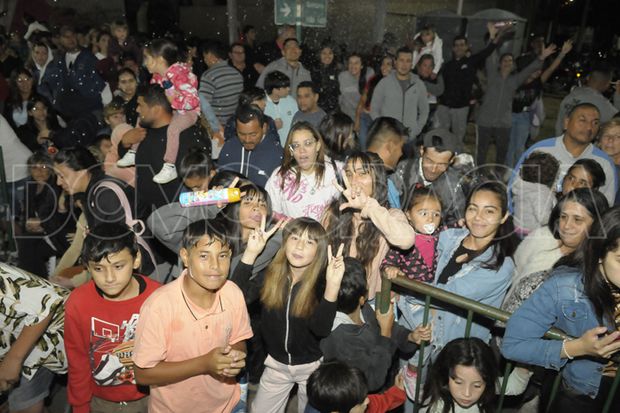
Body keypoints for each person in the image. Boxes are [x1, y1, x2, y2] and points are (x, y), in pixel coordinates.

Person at [397, 181, 517, 398]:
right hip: (417, 332)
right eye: (473, 208)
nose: (478, 217)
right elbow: (417, 256)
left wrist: (404, 286)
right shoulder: (449, 237)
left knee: (441, 401)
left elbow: (449, 295)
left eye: (489, 211)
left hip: (453, 348)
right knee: (407, 398)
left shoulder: (501, 266)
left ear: (504, 216)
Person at [502, 207, 620, 412]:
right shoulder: (564, 288)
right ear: (600, 253)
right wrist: (578, 348)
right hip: (580, 394)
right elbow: (513, 345)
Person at [132, 219, 253, 413]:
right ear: (186, 257)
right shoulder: (160, 306)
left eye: (222, 255)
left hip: (228, 404)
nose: (215, 265)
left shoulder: (233, 293)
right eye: (204, 256)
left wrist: (236, 357)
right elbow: (143, 374)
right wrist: (204, 364)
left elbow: (239, 340)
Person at [249, 218, 345, 413]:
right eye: (294, 238)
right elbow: (236, 295)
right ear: (284, 243)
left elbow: (321, 329)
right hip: (276, 364)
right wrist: (250, 254)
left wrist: (332, 287)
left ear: (319, 250)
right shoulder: (270, 275)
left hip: (311, 368)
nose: (299, 246)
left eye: (310, 241)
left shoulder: (321, 282)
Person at [64, 223, 160, 413]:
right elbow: (78, 361)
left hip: (153, 399)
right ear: (87, 267)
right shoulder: (78, 302)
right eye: (98, 269)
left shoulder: (159, 297)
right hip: (101, 403)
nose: (109, 278)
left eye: (118, 266)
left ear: (136, 259)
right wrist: (80, 407)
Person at [320, 257, 428, 391]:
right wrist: (385, 334)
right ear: (362, 298)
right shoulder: (339, 337)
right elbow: (372, 381)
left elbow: (389, 328)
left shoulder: (363, 309)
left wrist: (410, 337)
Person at [502, 188, 609, 316]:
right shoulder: (543, 237)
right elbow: (514, 272)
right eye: (563, 217)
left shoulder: (595, 268)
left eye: (577, 220)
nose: (567, 225)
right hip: (502, 321)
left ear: (597, 225)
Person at [323, 152, 415, 301]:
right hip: (332, 295)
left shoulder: (390, 215)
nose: (354, 181)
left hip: (371, 304)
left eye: (362, 174)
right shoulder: (334, 211)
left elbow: (407, 240)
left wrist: (368, 207)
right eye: (349, 174)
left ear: (377, 180)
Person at [117, 38, 201, 184]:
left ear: (160, 60)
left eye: (148, 58)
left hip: (188, 112)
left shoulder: (179, 75)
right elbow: (153, 98)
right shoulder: (157, 77)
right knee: (142, 116)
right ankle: (133, 151)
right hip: (172, 111)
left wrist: (173, 102)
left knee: (173, 130)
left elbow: (193, 100)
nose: (144, 63)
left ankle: (169, 165)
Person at [119, 84, 210, 210]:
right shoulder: (142, 133)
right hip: (147, 213)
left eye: (141, 105)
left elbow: (200, 177)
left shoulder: (186, 136)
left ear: (156, 109)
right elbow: (127, 159)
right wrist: (124, 143)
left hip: (177, 214)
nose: (137, 110)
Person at [510, 102, 618, 207]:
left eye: (595, 123)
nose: (589, 127)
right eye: (582, 120)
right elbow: (514, 188)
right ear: (566, 122)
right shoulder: (541, 150)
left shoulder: (604, 163)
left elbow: (605, 206)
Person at [0, 262, 68, 413]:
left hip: (45, 337)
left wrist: (13, 359)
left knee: (24, 404)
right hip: (18, 337)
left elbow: (47, 302)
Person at [475, 42, 555, 165]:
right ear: (500, 63)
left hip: (503, 123)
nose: (508, 63)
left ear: (513, 65)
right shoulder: (492, 75)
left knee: (502, 152)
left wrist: (541, 57)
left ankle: (499, 174)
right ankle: (478, 173)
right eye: (505, 60)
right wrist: (493, 39)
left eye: (510, 61)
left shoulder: (515, 80)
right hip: (485, 120)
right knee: (482, 151)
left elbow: (530, 69)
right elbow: (490, 56)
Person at [506, 40, 573, 167]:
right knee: (510, 146)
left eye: (540, 70)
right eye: (535, 69)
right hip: (510, 115)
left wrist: (562, 54)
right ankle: (507, 170)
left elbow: (552, 68)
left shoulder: (538, 82)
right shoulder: (518, 80)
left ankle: (517, 170)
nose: (539, 72)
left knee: (519, 146)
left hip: (524, 117)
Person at [420, 338, 531, 413]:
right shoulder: (435, 408)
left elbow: (515, 385)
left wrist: (529, 349)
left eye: (477, 385)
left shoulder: (487, 386)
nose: (467, 394)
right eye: (458, 382)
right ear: (446, 376)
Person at [436, 24, 502, 143]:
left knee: (458, 139)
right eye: (456, 45)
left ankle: (457, 160)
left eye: (462, 45)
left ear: (467, 46)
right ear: (453, 48)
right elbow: (439, 84)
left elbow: (487, 51)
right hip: (444, 107)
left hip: (461, 108)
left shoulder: (471, 62)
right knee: (441, 137)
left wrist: (494, 36)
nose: (459, 48)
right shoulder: (447, 66)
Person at [266, 121, 341, 221]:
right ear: (291, 151)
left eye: (308, 143)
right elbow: (270, 212)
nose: (302, 150)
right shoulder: (279, 177)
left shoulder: (335, 172)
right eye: (296, 145)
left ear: (318, 145)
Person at [392, 128, 467, 226]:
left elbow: (458, 216)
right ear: (422, 151)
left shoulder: (452, 183)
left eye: (441, 164)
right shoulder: (404, 171)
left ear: (451, 160)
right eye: (429, 161)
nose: (433, 169)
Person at [17, 151, 74, 278]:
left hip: (59, 233)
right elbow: (26, 213)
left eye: (43, 167)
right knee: (27, 242)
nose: (39, 172)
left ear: (50, 169)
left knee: (28, 246)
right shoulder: (30, 187)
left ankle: (32, 281)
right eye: (34, 168)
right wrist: (28, 224)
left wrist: (42, 223)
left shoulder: (58, 186)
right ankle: (33, 281)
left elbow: (61, 218)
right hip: (42, 233)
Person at [381, 187, 443, 284]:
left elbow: (454, 228)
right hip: (409, 294)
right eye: (424, 213)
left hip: (432, 290)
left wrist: (461, 223)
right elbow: (388, 261)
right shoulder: (404, 239)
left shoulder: (440, 234)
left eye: (436, 215)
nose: (430, 219)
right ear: (408, 215)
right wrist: (391, 268)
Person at [370, 47, 428, 143]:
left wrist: (416, 130)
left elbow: (424, 110)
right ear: (395, 62)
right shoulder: (384, 83)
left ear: (412, 64)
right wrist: (383, 129)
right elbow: (374, 108)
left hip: (409, 138)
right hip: (387, 138)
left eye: (408, 61)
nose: (404, 64)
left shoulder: (418, 84)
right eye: (401, 60)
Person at [218, 104, 284, 188]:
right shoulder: (229, 147)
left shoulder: (277, 154)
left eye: (253, 134)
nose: (247, 140)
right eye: (241, 134)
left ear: (264, 128)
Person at [305, 361, 407, 413]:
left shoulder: (344, 399)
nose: (367, 400)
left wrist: (396, 392)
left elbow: (377, 403)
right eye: (361, 401)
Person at [200, 40, 244, 158]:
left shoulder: (208, 76)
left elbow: (204, 106)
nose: (205, 60)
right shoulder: (237, 74)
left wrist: (215, 129)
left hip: (217, 132)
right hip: (234, 128)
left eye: (205, 57)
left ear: (210, 55)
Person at [53, 25, 107, 121]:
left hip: (88, 110)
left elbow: (99, 84)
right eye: (66, 37)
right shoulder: (60, 59)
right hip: (66, 112)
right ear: (60, 39)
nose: (71, 39)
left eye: (73, 35)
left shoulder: (89, 58)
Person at [554, 66, 620, 135]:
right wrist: (618, 96)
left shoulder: (572, 94)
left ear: (588, 78)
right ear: (607, 84)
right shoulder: (600, 103)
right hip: (579, 143)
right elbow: (617, 120)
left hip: (560, 140)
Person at [511, 151, 560, 234]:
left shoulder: (521, 186)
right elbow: (543, 218)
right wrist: (556, 217)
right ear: (551, 177)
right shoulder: (542, 193)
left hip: (517, 226)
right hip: (531, 231)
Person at [366, 117, 407, 208]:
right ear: (391, 146)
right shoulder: (387, 187)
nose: (401, 153)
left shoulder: (345, 169)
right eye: (401, 147)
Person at [355, 55, 393, 149]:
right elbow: (363, 99)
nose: (384, 67)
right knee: (363, 146)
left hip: (384, 121)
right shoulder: (373, 79)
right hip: (366, 117)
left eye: (388, 64)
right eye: (383, 64)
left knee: (379, 149)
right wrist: (357, 119)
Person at [264, 70, 298, 146]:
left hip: (290, 147)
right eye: (285, 87)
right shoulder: (260, 103)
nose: (289, 89)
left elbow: (298, 124)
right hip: (270, 148)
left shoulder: (291, 101)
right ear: (275, 90)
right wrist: (271, 128)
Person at [339, 53, 374, 121]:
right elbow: (344, 97)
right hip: (346, 117)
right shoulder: (343, 77)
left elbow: (371, 97)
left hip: (364, 116)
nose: (353, 66)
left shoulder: (369, 75)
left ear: (361, 66)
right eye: (350, 63)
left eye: (356, 63)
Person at [310, 41, 340, 114]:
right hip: (316, 109)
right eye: (324, 53)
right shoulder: (313, 70)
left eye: (330, 53)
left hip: (334, 110)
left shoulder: (338, 71)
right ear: (319, 55)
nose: (327, 56)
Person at [28, 40, 62, 105]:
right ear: (33, 54)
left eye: (44, 53)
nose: (40, 56)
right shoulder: (31, 70)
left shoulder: (55, 71)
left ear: (49, 55)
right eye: (37, 52)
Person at [597, 119, 620, 204]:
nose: (610, 140)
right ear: (599, 141)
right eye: (606, 135)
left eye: (618, 136)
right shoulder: (591, 166)